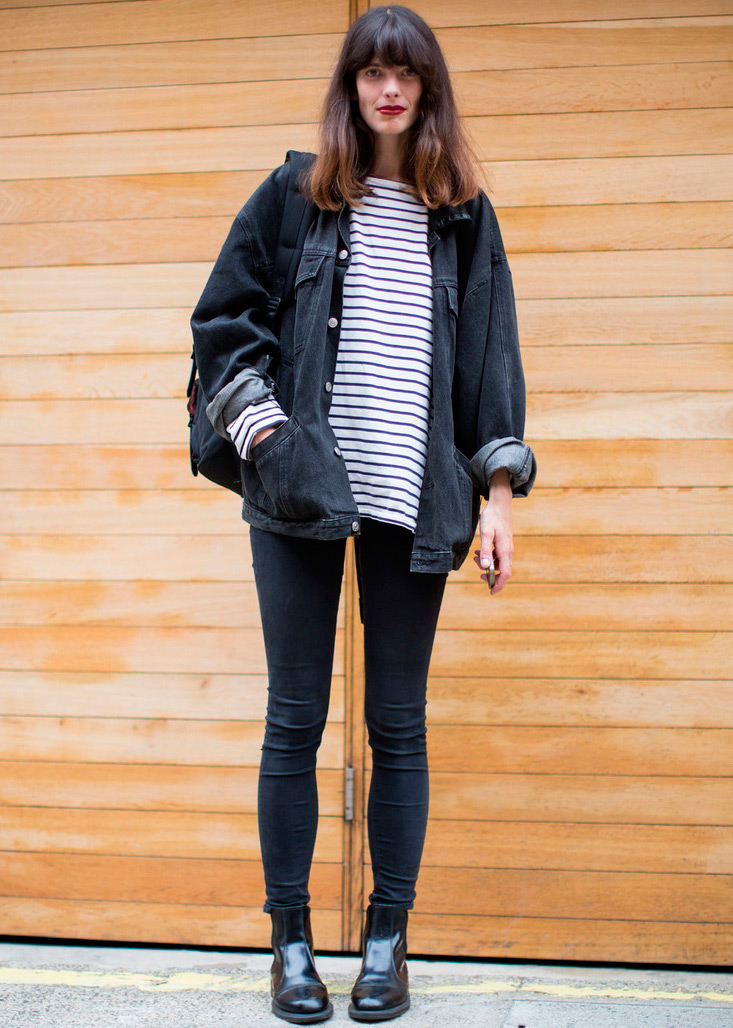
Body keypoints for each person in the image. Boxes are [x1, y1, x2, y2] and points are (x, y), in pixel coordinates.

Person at [191, 5, 537, 1023]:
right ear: (349, 88)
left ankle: (388, 939)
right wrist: (265, 433)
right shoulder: (294, 196)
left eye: (406, 73)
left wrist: (499, 498)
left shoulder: (463, 217)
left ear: (428, 90)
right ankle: (290, 942)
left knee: (398, 724)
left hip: (412, 497)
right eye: (371, 72)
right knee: (293, 718)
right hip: (297, 491)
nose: (389, 89)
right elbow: (222, 320)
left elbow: (490, 365)